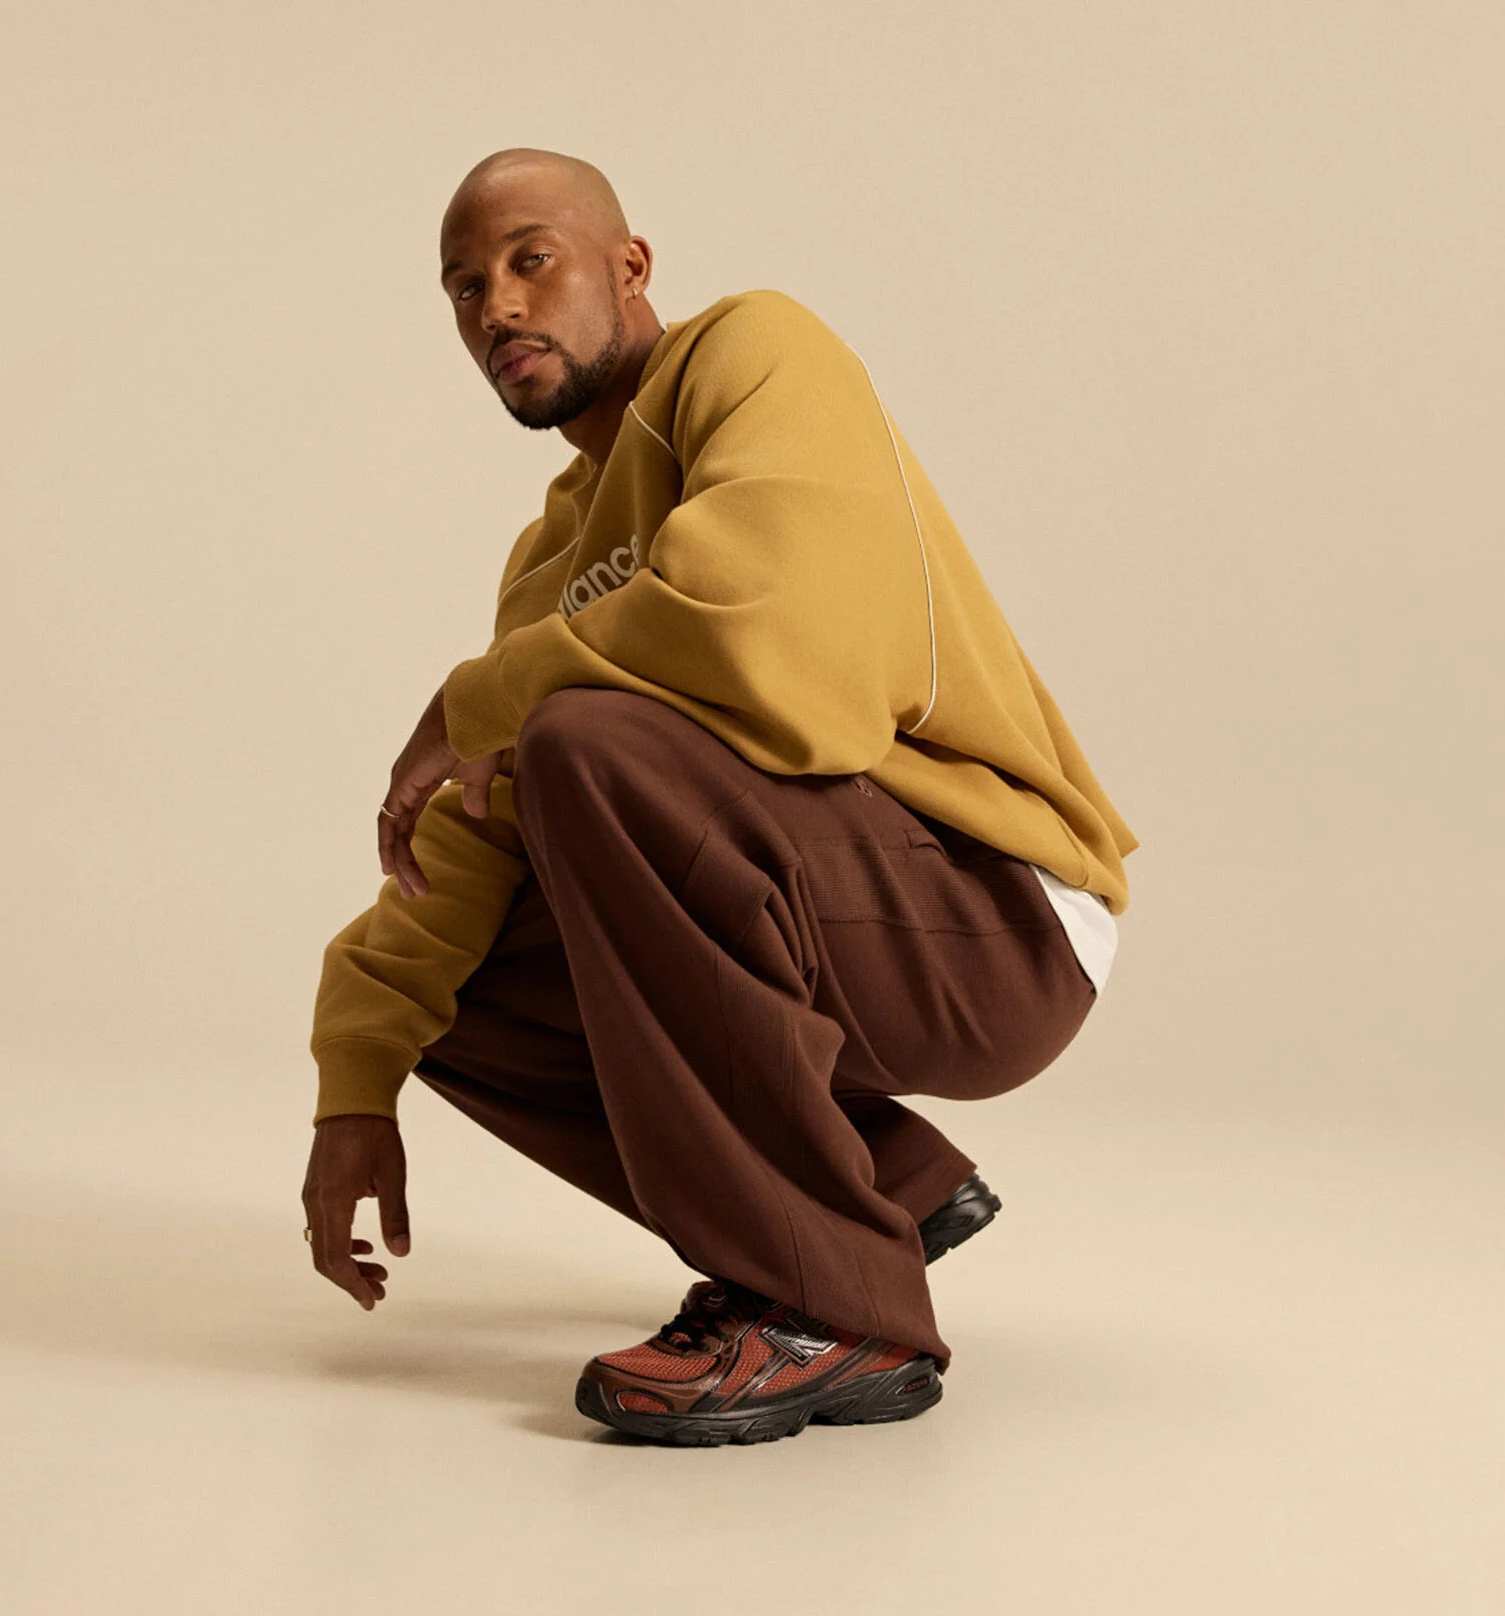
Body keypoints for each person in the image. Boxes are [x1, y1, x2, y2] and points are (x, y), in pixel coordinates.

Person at [302, 146, 1140, 1447]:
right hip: (831, 910)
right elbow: (473, 853)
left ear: (629, 268)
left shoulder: (756, 351)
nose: (500, 310)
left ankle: (831, 1309)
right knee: (454, 987)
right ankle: (877, 1200)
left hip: (992, 903)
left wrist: (476, 699)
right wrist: (355, 1082)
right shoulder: (551, 563)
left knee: (590, 745)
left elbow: (780, 638)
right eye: (465, 288)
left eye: (534, 260)